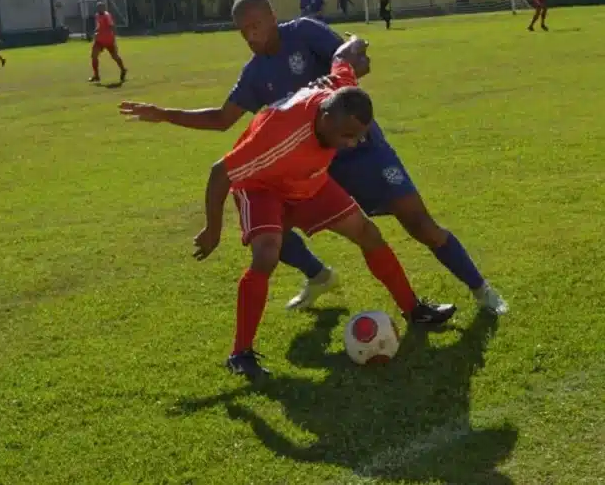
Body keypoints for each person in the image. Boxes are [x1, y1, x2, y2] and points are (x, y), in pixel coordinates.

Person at [120, 0, 508, 317]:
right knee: (269, 232)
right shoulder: (255, 74)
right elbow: (223, 119)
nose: (252, 36)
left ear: (273, 17)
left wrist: (355, 55)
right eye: (244, 31)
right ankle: (319, 276)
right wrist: (164, 114)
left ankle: (480, 288)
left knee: (420, 223)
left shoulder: (304, 32)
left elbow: (351, 63)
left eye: (257, 25)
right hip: (309, 168)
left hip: (362, 150)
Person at [192, 40, 456, 379]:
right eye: (346, 135)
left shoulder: (340, 94)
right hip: (262, 186)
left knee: (367, 233)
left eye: (357, 137)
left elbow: (342, 59)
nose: (350, 143)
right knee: (267, 254)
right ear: (326, 117)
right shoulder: (280, 134)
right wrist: (212, 230)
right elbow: (220, 173)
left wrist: (355, 42)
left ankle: (413, 309)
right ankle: (240, 354)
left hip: (309, 181)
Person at [90, 1, 127, 84]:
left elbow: (112, 26)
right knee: (94, 55)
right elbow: (98, 26)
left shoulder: (107, 16)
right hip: (99, 40)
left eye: (101, 7)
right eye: (99, 7)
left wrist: (114, 38)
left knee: (115, 56)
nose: (100, 9)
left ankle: (123, 69)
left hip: (108, 39)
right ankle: (96, 75)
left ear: (104, 8)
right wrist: (95, 32)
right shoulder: (97, 15)